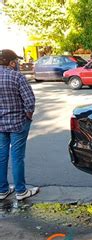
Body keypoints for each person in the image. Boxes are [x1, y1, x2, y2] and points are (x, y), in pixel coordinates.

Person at [0, 49, 39, 201]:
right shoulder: (17, 77)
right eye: (15, 61)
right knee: (17, 158)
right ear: (11, 62)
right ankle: (21, 191)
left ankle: (2, 190)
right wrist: (28, 117)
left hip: (0, 125)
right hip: (18, 124)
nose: (16, 63)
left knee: (2, 157)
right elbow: (29, 101)